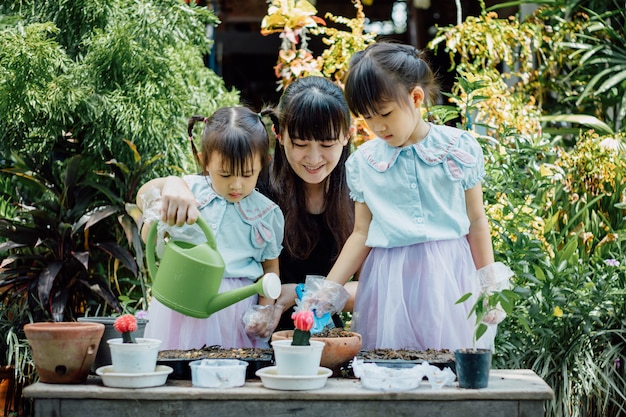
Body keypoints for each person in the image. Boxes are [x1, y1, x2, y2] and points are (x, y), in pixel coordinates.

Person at [321, 42, 512, 351]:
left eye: (385, 113)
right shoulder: (365, 162)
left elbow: (477, 221)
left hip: (449, 275)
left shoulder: (458, 148)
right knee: (391, 365)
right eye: (367, 118)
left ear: (416, 97)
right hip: (390, 278)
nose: (377, 126)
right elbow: (361, 233)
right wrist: (330, 288)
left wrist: (489, 284)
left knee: (448, 362)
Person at [136, 106, 284, 350]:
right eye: (224, 174)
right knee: (178, 370)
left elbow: (270, 269)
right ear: (204, 161)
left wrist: (265, 309)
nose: (236, 185)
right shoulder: (188, 192)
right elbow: (147, 216)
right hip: (182, 300)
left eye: (247, 174)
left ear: (263, 163)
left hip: (235, 309)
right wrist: (167, 193)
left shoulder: (266, 214)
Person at [257, 76, 357, 332]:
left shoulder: (360, 191)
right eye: (301, 144)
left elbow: (372, 287)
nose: (314, 159)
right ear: (278, 134)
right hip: (256, 334)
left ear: (347, 135)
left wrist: (303, 292)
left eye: (326, 144)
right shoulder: (255, 182)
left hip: (325, 339)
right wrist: (171, 187)